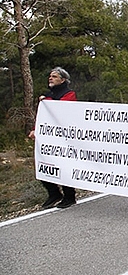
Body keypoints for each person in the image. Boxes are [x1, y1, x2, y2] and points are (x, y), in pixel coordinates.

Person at [28, 67, 78, 209]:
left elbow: (63, 111)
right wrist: (35, 130)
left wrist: (48, 102)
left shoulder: (69, 94)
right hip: (48, 138)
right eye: (50, 76)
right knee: (43, 165)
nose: (51, 78)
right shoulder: (47, 97)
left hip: (64, 138)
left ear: (63, 80)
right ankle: (54, 194)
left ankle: (69, 196)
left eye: (55, 76)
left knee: (63, 166)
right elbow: (44, 117)